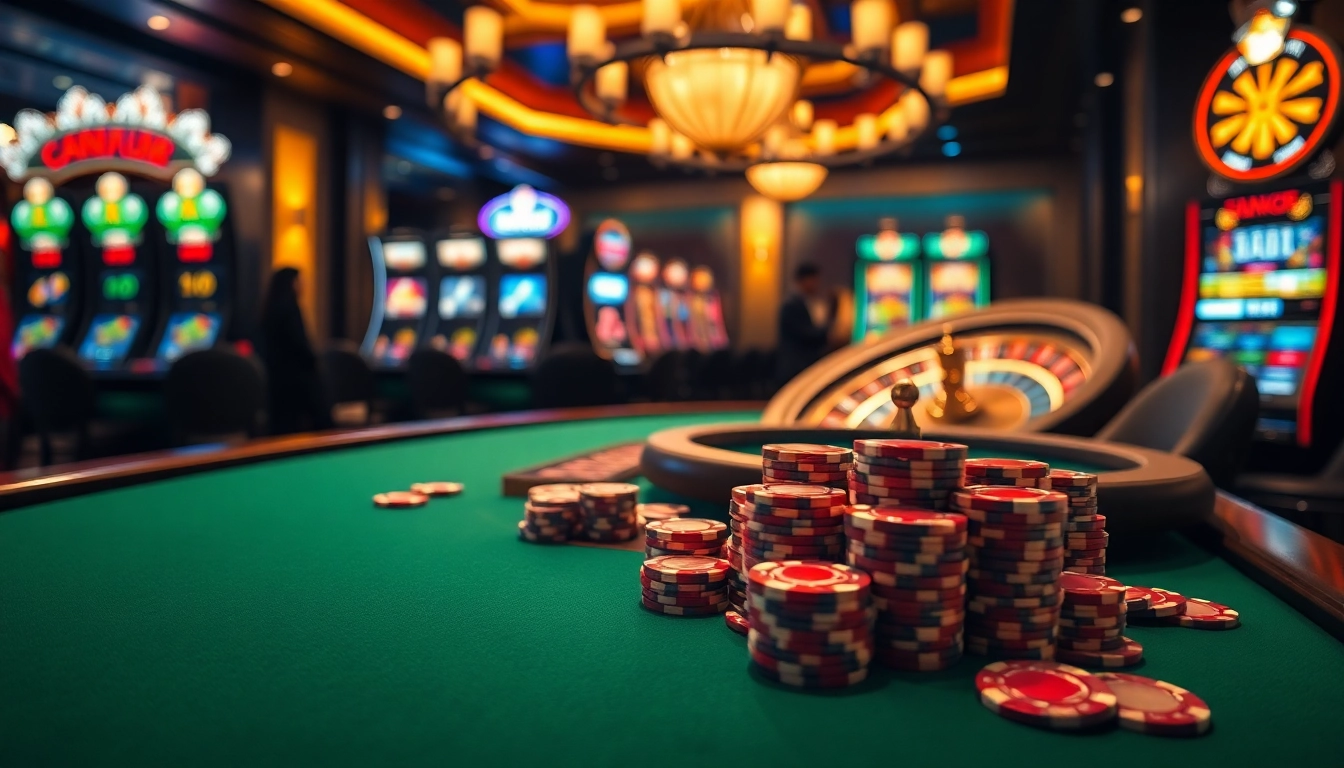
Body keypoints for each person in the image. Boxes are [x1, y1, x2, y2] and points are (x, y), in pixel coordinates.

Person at [258, 267, 332, 434]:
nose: (303, 286)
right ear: (291, 284)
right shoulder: (290, 309)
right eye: (300, 282)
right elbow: (300, 347)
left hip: (275, 382)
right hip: (294, 381)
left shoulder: (269, 309)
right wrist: (316, 360)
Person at [776, 262, 835, 386]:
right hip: (795, 366)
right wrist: (828, 331)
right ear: (804, 280)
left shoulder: (810, 303)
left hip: (804, 366)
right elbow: (805, 334)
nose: (817, 284)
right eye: (814, 280)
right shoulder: (792, 305)